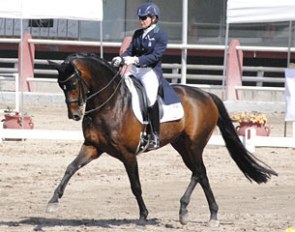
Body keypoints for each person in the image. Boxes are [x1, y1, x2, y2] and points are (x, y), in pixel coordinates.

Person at [112, 2, 167, 149]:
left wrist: (136, 59)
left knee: (150, 98)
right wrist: (122, 58)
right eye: (140, 18)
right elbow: (130, 50)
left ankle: (155, 134)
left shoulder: (160, 35)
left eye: (144, 18)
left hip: (150, 71)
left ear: (154, 18)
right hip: (135, 70)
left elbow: (156, 56)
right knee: (120, 89)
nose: (141, 20)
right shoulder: (137, 34)